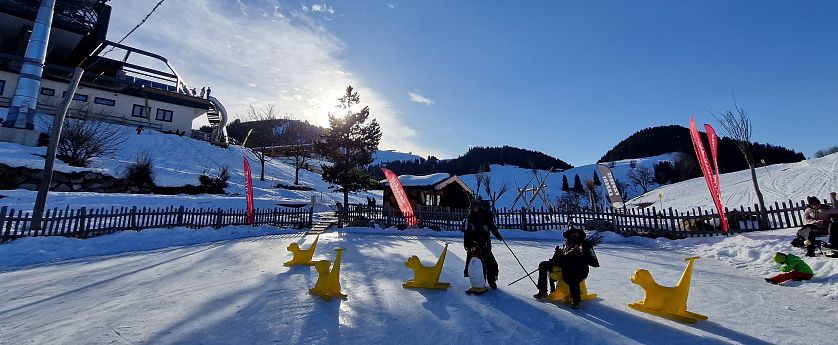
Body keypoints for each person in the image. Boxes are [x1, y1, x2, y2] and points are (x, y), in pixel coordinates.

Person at [533, 226, 600, 309]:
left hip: (580, 270)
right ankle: (542, 291)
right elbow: (563, 259)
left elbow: (595, 263)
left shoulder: (585, 245)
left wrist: (581, 254)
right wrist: (557, 256)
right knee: (543, 264)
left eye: (576, 232)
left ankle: (576, 300)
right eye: (572, 233)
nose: (574, 234)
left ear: (579, 233)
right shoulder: (567, 244)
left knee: (571, 272)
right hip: (565, 267)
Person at [461, 200, 503, 289]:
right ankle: (478, 283)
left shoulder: (486, 216)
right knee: (476, 265)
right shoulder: (468, 218)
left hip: (484, 244)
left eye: (477, 206)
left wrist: (497, 235)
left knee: (490, 263)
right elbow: (466, 232)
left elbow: (492, 227)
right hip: (473, 245)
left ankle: (491, 280)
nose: (475, 208)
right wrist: (466, 244)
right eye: (473, 207)